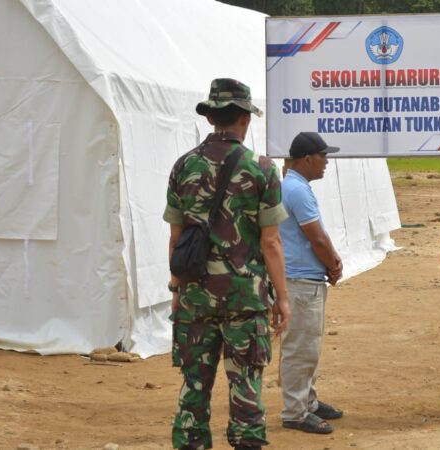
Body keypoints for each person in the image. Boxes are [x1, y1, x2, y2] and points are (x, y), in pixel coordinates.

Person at [164, 78, 291, 450]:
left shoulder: (183, 166)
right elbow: (271, 242)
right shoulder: (262, 169)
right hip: (245, 302)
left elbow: (176, 239)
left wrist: (176, 289)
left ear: (211, 119)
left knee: (194, 387)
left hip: (195, 299)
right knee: (246, 387)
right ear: (245, 120)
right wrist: (282, 298)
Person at [278, 132, 344, 434]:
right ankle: (295, 410)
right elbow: (315, 237)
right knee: (300, 348)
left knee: (308, 347)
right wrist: (332, 263)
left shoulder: (294, 186)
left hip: (304, 277)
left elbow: (318, 233)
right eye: (323, 157)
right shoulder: (297, 189)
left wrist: (331, 261)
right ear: (307, 159)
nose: (326, 163)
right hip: (300, 280)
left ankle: (308, 402)